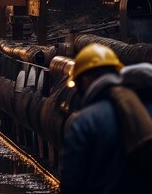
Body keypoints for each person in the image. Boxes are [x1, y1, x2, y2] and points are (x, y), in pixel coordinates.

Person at [60, 44, 152, 193]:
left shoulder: (85, 122)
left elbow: (71, 184)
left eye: (77, 84)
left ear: (86, 79)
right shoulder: (146, 108)